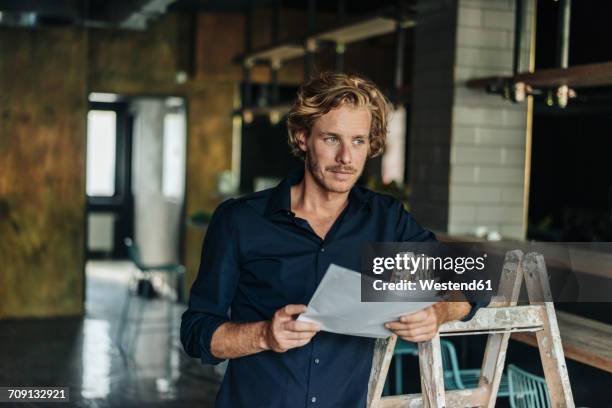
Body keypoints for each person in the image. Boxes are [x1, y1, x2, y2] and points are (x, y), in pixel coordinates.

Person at [181, 72, 488, 407]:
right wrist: (264, 335)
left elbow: (476, 276)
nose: (346, 158)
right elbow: (196, 332)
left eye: (358, 141)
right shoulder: (240, 221)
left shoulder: (386, 221)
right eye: (331, 139)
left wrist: (439, 313)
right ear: (302, 138)